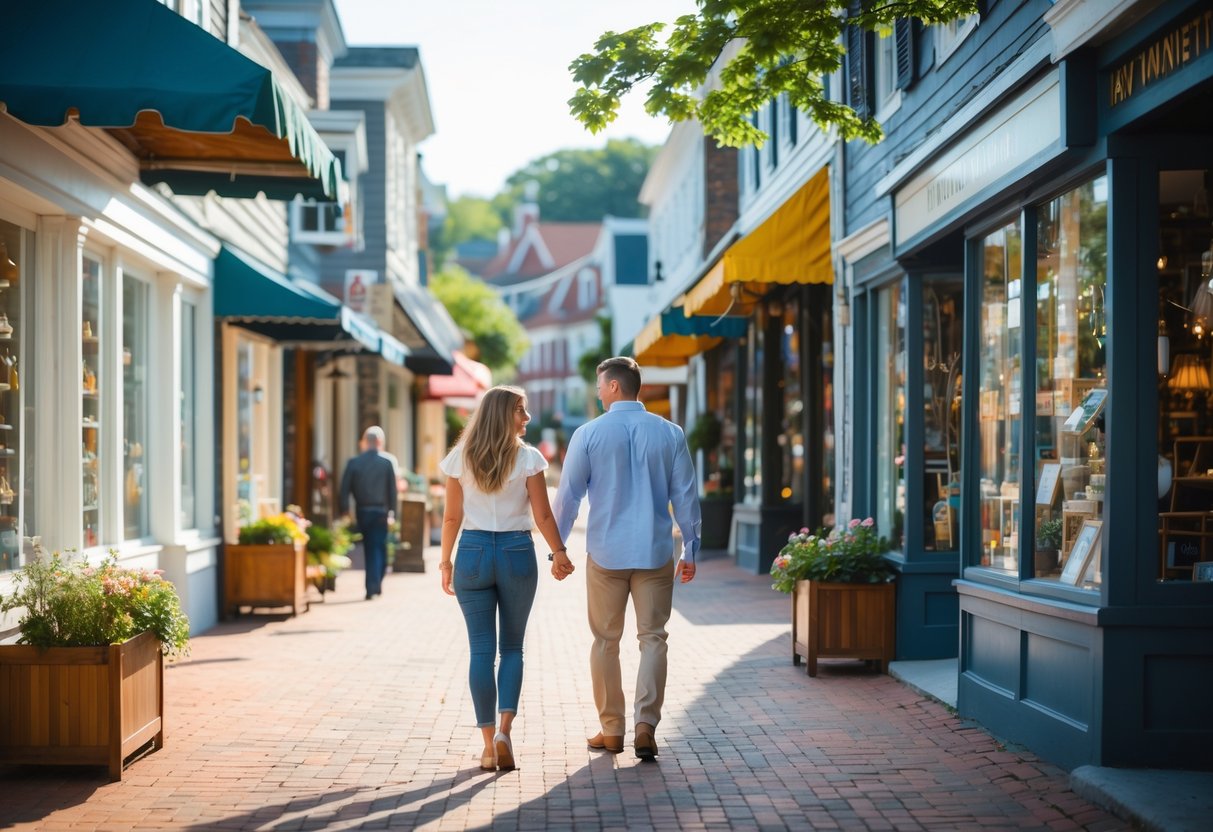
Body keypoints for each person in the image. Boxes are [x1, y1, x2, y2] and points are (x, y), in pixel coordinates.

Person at [553, 356, 700, 761]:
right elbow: (685, 496)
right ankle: (645, 727)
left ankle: (612, 729)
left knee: (605, 641)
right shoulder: (670, 434)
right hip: (654, 552)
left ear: (614, 386)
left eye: (600, 385)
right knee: (653, 638)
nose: (598, 392)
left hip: (606, 552)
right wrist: (690, 548)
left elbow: (568, 497)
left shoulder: (588, 434)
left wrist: (558, 548)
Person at [439, 386, 574, 772]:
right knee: (512, 648)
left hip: (473, 552)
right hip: (516, 551)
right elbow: (543, 516)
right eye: (521, 411)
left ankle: (486, 746)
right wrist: (559, 552)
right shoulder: (528, 458)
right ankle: (504, 733)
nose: (527, 418)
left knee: (481, 650)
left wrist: (446, 562)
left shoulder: (459, 458)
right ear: (503, 415)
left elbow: (451, 519)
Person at [338, 426, 398, 600]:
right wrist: (393, 513)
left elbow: (344, 490)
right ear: (379, 442)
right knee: (378, 547)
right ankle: (374, 585)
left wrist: (344, 510)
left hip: (363, 511)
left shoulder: (354, 463)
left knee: (371, 548)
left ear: (365, 442)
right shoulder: (386, 463)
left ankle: (374, 584)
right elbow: (392, 492)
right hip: (381, 512)